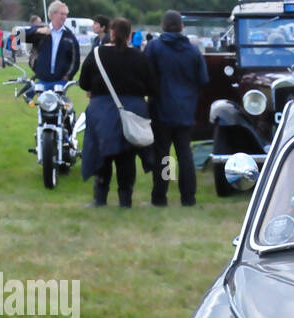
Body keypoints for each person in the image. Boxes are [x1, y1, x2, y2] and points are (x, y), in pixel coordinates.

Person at [80, 17, 157, 208]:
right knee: (126, 157)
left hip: (102, 111)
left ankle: (100, 198)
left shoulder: (97, 53)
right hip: (132, 109)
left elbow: (83, 82)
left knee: (102, 155)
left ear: (111, 33)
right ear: (130, 35)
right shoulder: (140, 57)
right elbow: (152, 85)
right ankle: (125, 200)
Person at [146, 10, 206, 208]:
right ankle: (188, 197)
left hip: (161, 109)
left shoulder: (155, 47)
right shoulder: (193, 50)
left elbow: (146, 74)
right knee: (185, 155)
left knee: (163, 155)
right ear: (181, 27)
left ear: (163, 26)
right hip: (185, 109)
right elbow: (203, 79)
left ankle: (160, 196)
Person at [27, 2, 80, 86]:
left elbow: (75, 60)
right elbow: (17, 36)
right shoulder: (41, 31)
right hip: (41, 79)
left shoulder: (70, 37)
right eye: (62, 14)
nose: (64, 17)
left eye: (66, 14)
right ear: (52, 14)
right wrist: (36, 31)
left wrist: (68, 76)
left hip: (60, 81)